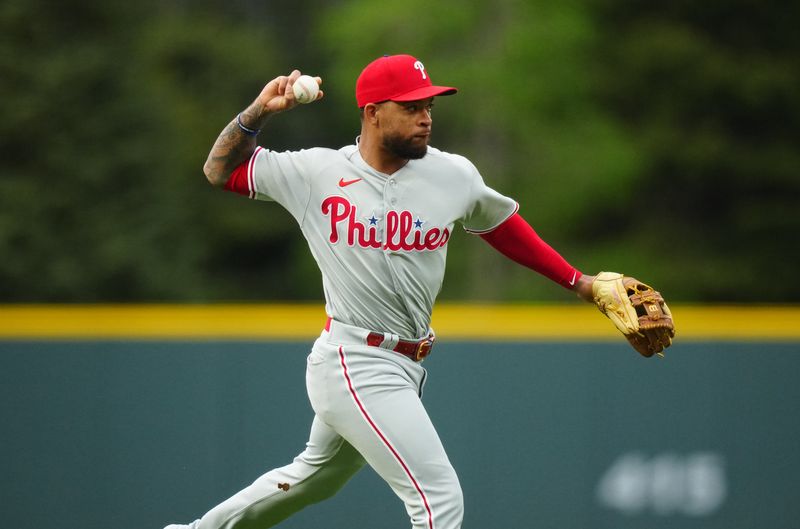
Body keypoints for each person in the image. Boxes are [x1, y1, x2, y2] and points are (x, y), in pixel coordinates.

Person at [165, 54, 598, 529]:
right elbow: (218, 170)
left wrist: (579, 282)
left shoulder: (452, 174)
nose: (426, 117)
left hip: (406, 362)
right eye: (411, 107)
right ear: (372, 113)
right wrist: (258, 114)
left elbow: (501, 224)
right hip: (355, 359)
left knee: (316, 479)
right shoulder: (315, 172)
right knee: (439, 498)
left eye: (429, 105)